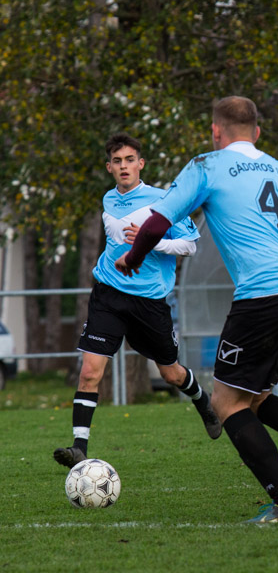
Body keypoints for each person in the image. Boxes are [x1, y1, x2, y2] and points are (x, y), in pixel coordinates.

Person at [115, 96, 278, 523]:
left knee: (224, 402)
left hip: (263, 298)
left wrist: (133, 257)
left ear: (215, 132)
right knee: (255, 398)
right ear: (257, 132)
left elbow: (157, 223)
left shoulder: (206, 165)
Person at [53, 133, 218, 469]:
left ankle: (203, 401)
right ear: (109, 167)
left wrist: (150, 241)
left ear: (141, 163)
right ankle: (79, 447)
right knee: (90, 372)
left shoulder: (164, 200)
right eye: (117, 161)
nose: (124, 166)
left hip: (148, 302)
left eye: (130, 160)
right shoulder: (107, 200)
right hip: (108, 295)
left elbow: (189, 245)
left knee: (171, 374)